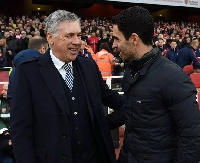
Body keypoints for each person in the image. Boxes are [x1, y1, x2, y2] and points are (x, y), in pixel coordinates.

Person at [10, 10, 125, 163]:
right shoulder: (28, 72)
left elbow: (111, 98)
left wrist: (139, 103)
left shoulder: (89, 66)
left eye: (79, 35)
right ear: (50, 38)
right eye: (69, 36)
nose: (77, 41)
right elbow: (21, 131)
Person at [112, 6, 200, 163]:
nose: (114, 44)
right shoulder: (130, 70)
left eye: (117, 38)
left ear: (134, 39)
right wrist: (95, 125)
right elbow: (129, 110)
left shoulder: (173, 77)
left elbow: (191, 134)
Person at [7, 36, 48, 105]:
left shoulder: (17, 64)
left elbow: (11, 93)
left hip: (17, 109)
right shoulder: (41, 65)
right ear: (43, 49)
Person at [0, 82, 14, 163]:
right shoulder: (1, 102)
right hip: (4, 135)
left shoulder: (18, 102)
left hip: (15, 135)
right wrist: (4, 131)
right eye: (3, 89)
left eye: (5, 90)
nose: (2, 92)